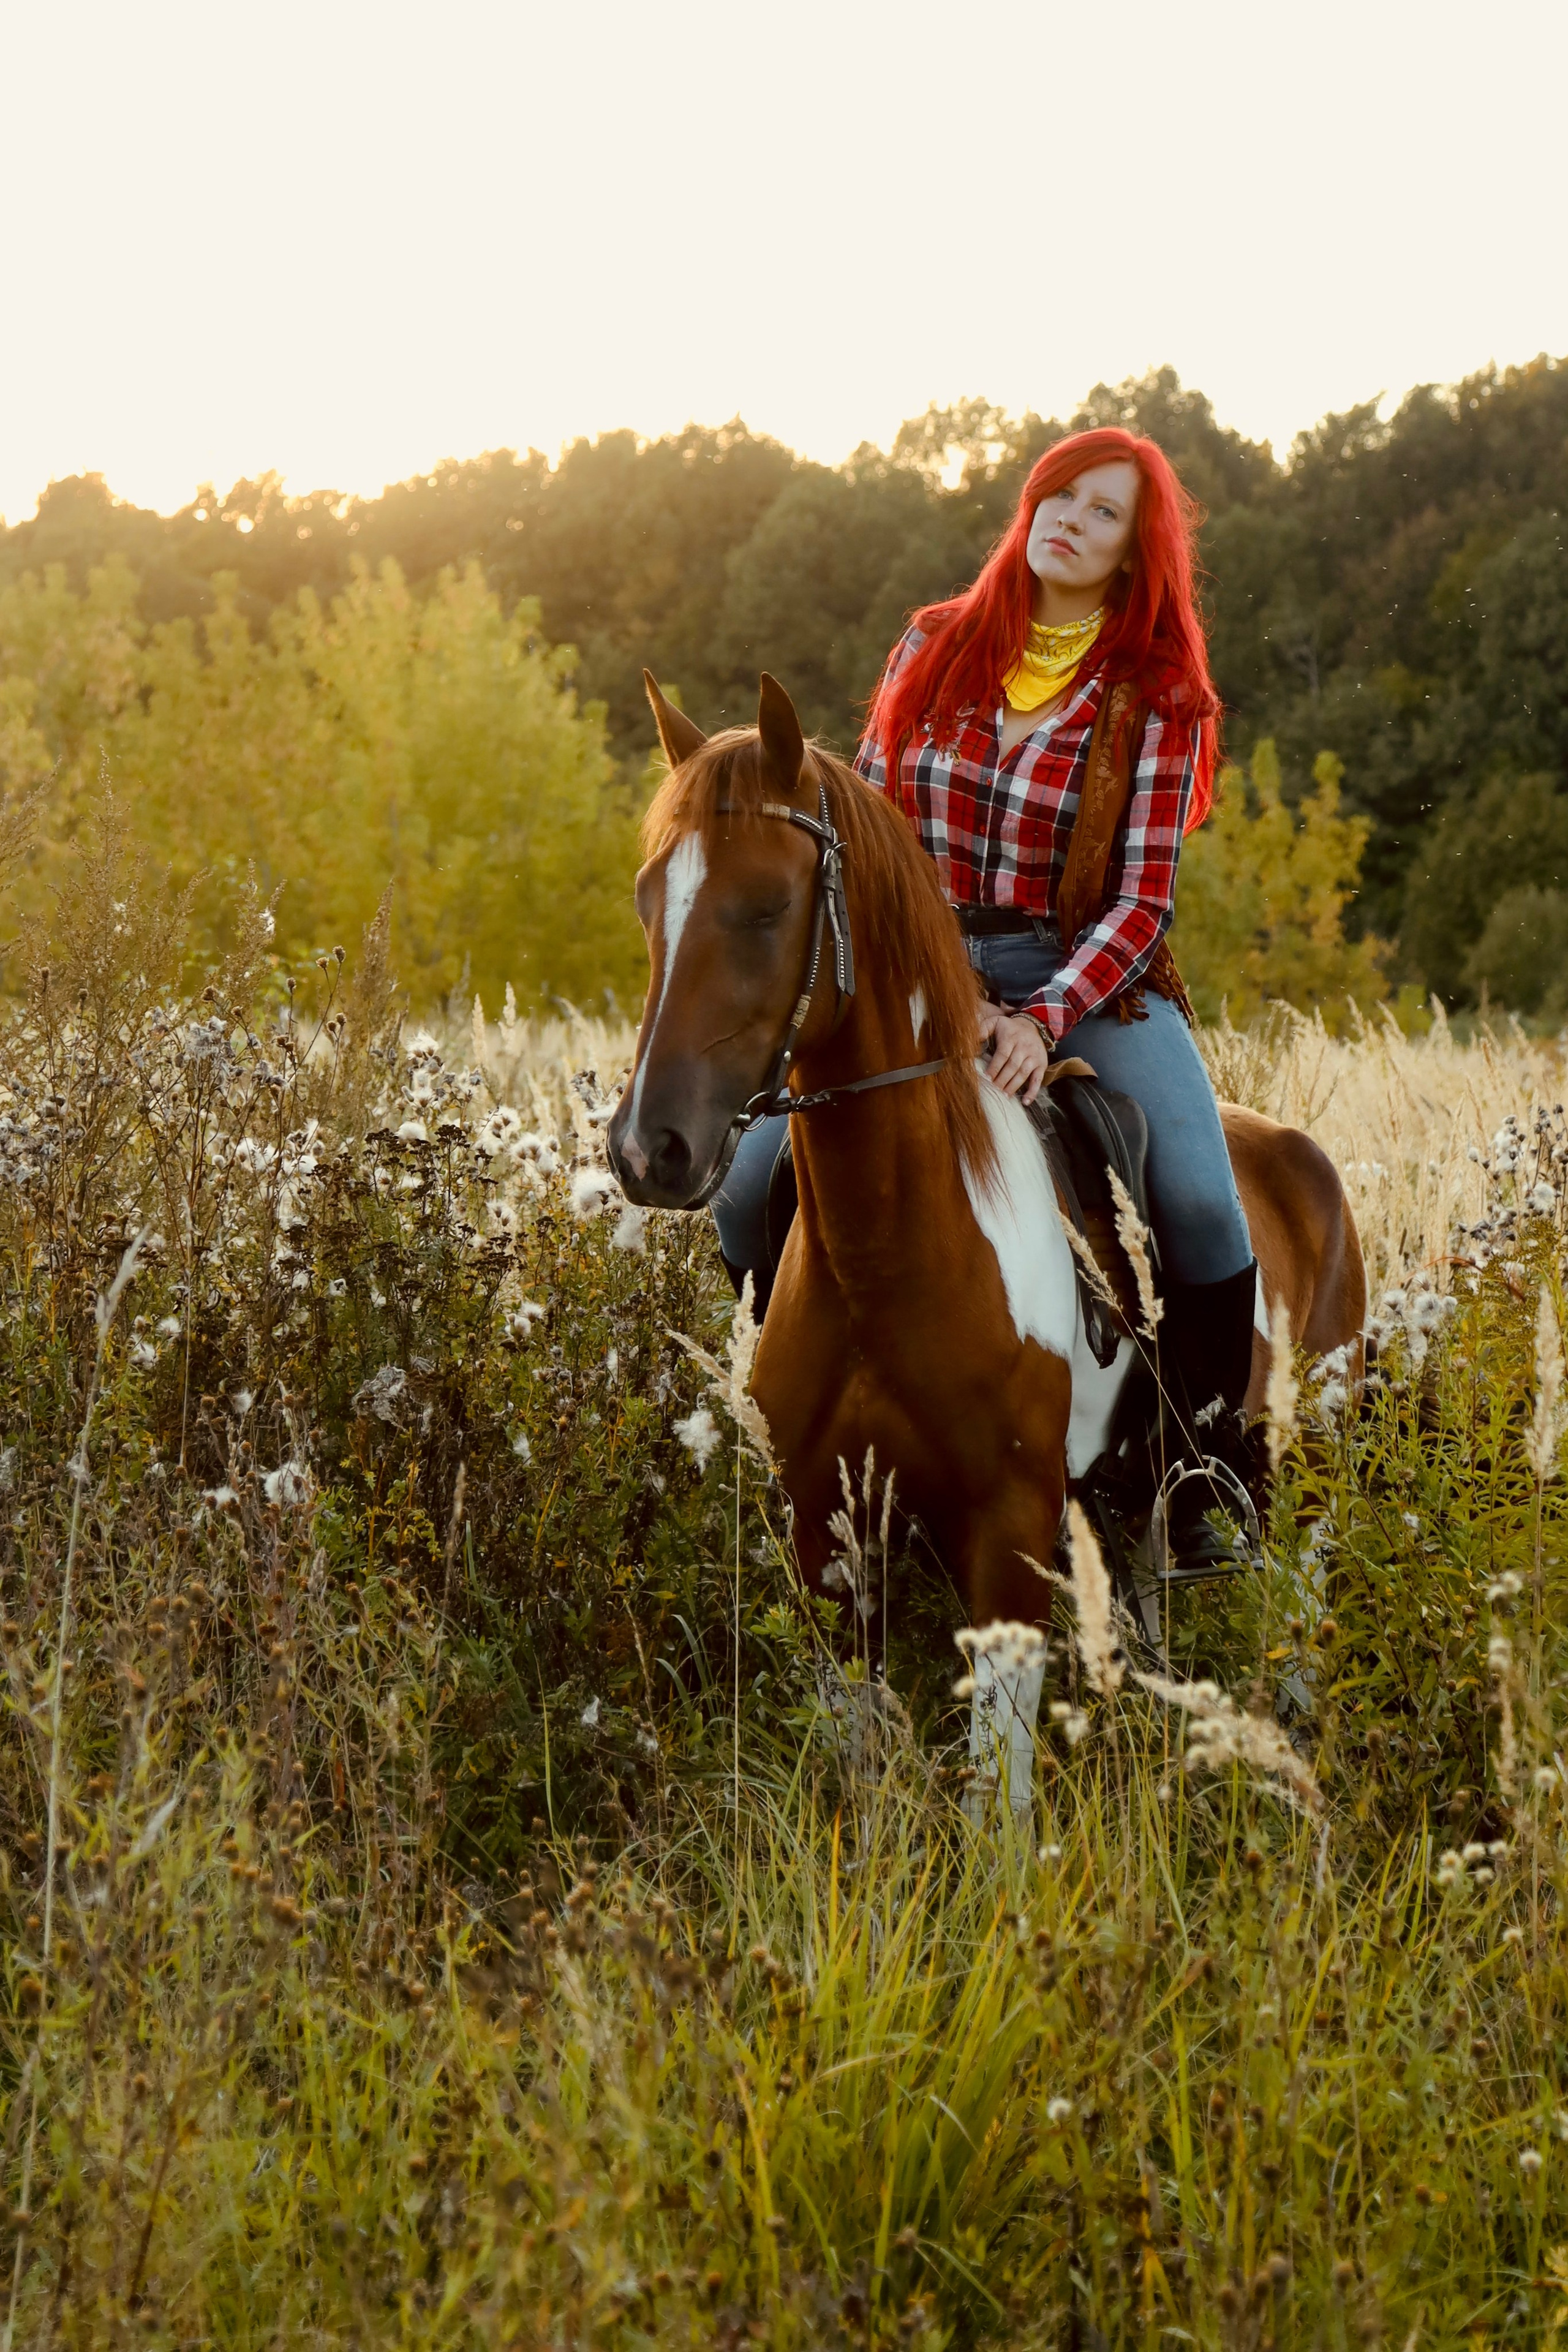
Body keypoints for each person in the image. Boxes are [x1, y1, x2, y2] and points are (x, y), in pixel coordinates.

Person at [710, 426, 1256, 1568]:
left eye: (1104, 513)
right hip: (912, 963)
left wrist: (1041, 1016)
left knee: (1205, 1204)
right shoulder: (937, 640)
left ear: (1135, 550)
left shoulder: (1160, 695)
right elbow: (869, 820)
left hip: (1083, 975)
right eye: (1062, 495)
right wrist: (946, 989)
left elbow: (1143, 900)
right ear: (1031, 504)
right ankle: (804, 1428)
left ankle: (1196, 1477)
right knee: (747, 1182)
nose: (1072, 521)